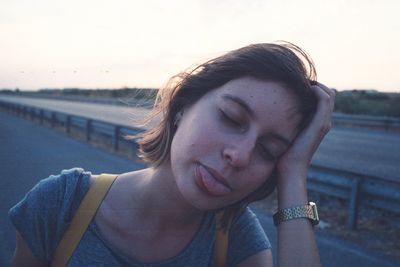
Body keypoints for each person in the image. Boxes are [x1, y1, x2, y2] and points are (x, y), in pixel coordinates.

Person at [9, 42, 335, 267]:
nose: (239, 155)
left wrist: (293, 175)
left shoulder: (238, 245)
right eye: (231, 118)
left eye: (269, 150)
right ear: (183, 105)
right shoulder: (61, 204)